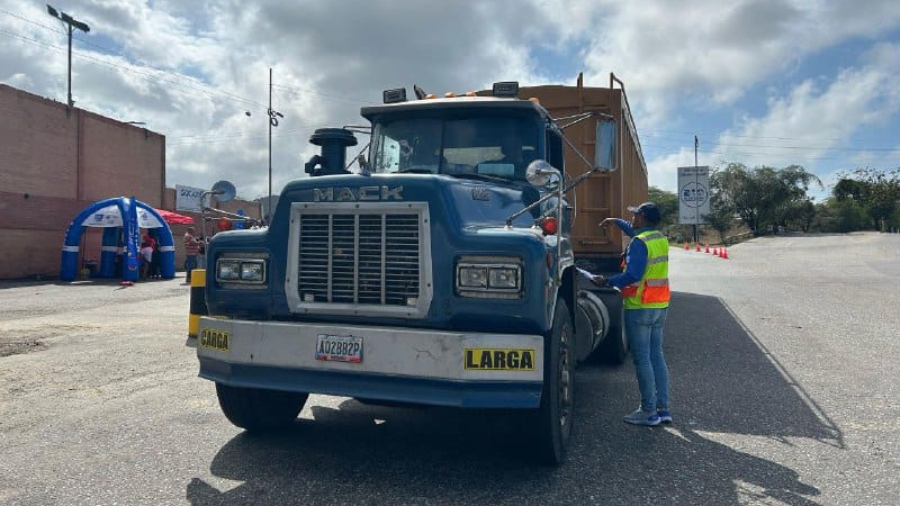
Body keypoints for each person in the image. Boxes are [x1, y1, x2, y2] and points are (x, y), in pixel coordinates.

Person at [592, 202, 672, 426]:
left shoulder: (639, 243)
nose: (633, 219)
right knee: (656, 355)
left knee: (642, 358)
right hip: (660, 304)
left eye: (636, 215)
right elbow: (634, 231)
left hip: (639, 305)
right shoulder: (659, 238)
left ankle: (648, 410)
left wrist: (606, 281)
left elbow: (633, 274)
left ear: (644, 217)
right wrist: (616, 222)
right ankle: (663, 408)